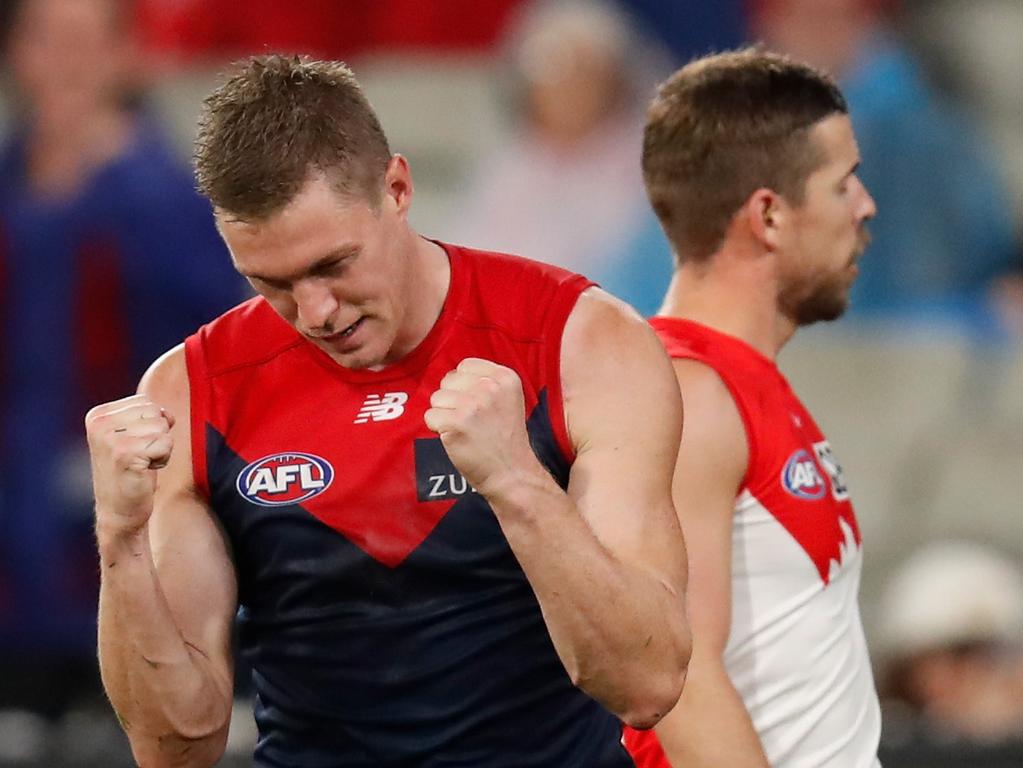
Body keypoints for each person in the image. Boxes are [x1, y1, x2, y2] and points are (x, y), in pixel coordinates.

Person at [85, 54, 691, 767]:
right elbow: (175, 748)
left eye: (332, 265)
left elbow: (646, 683)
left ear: (397, 187)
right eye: (269, 282)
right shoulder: (194, 392)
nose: (314, 312)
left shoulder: (577, 343)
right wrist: (120, 539)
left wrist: (516, 482)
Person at [622, 49, 882, 767]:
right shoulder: (688, 396)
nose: (864, 206)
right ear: (766, 215)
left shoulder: (735, 384)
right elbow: (679, 679)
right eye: (843, 183)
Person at [0, 0, 242, 717]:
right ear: (16, 53)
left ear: (129, 55)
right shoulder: (9, 181)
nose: (68, 60)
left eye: (90, 39)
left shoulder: (180, 194)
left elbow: (212, 338)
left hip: (135, 487)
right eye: (46, 38)